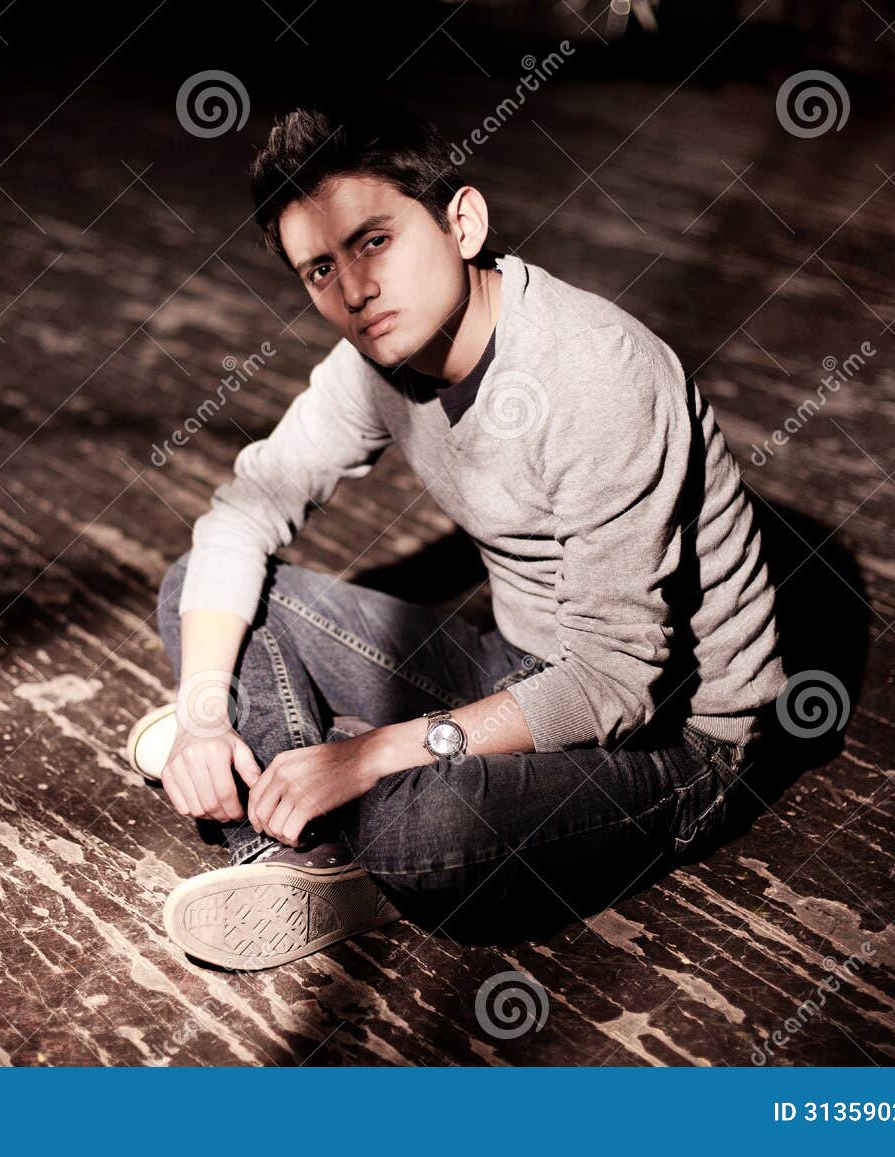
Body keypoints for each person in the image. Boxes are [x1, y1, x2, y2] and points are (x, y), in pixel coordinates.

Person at [128, 101, 786, 971]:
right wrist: (208, 712)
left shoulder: (596, 373)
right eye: (318, 268)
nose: (353, 291)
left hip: (671, 737)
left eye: (374, 241)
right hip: (518, 665)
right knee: (198, 589)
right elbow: (246, 512)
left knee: (422, 824)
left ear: (462, 222)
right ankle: (297, 833)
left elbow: (616, 681)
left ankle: (300, 798)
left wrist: (370, 756)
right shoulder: (373, 367)